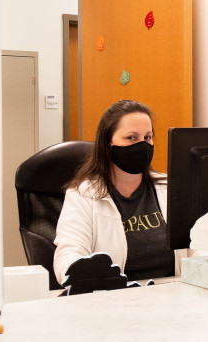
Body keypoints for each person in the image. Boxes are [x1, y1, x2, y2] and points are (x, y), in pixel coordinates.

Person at [53, 99, 185, 286]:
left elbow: (195, 247)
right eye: (131, 137)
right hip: (113, 302)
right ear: (108, 144)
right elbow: (68, 254)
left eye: (147, 137)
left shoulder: (169, 187)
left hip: (172, 298)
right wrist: (82, 275)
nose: (142, 145)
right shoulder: (83, 195)